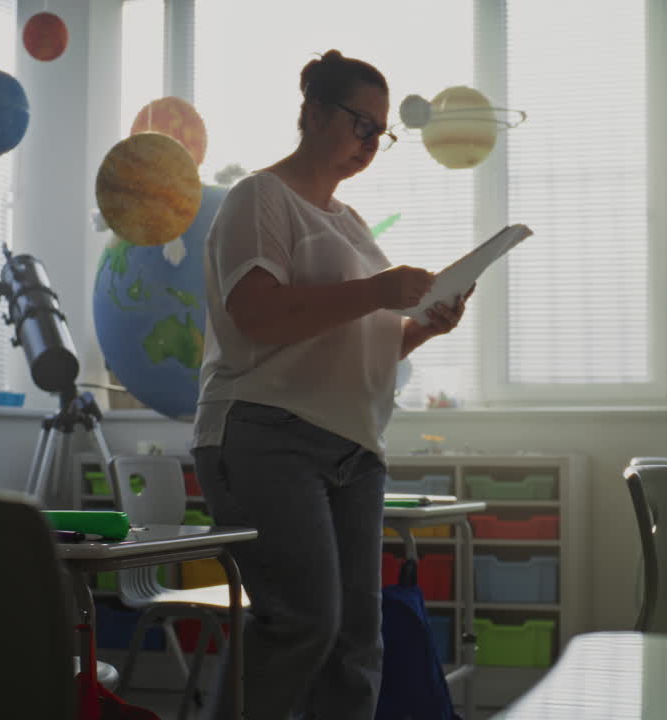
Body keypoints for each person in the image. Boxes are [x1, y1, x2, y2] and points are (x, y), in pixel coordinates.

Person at [190, 50, 473, 719]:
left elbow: (359, 342)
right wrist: (379, 289)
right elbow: (258, 315)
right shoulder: (259, 199)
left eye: (382, 133)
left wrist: (423, 328)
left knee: (354, 643)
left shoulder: (348, 225)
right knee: (302, 625)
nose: (372, 143)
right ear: (314, 114)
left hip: (352, 445)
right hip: (268, 433)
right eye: (361, 125)